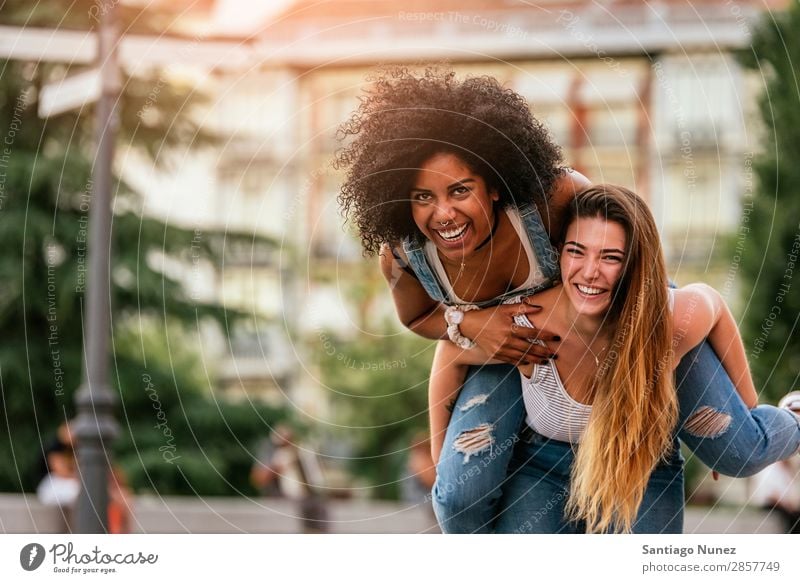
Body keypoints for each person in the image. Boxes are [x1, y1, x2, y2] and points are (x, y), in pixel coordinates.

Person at [335, 67, 800, 533]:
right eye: (422, 196)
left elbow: (611, 244)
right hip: (516, 351)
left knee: (739, 452)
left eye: (460, 190)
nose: (444, 213)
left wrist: (742, 412)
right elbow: (420, 319)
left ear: (495, 183)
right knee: (459, 499)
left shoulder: (551, 198)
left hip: (620, 318)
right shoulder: (403, 253)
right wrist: (475, 324)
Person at [432, 185, 800, 532]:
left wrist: (743, 421)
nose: (590, 272)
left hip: (638, 461)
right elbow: (450, 350)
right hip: (542, 465)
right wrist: (441, 457)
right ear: (559, 251)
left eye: (610, 257)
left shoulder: (673, 319)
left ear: (633, 264)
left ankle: (794, 414)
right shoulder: (527, 325)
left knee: (744, 455)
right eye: (577, 251)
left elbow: (714, 307)